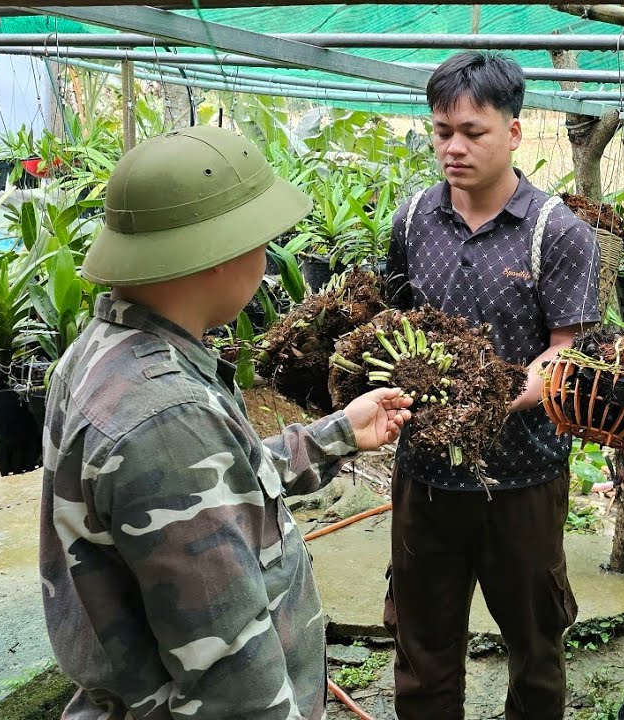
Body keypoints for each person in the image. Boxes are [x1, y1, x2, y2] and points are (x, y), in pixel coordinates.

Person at [38, 125, 412, 720]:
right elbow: (233, 682)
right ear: (218, 256)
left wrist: (338, 433)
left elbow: (212, 484)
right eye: (261, 242)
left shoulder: (109, 352)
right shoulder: (165, 416)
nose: (265, 260)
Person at [383, 51, 602, 719]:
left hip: (522, 479)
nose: (453, 147)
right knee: (421, 649)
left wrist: (492, 401)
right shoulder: (413, 219)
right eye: (441, 130)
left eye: (472, 132)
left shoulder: (556, 233)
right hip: (424, 477)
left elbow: (565, 353)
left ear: (513, 131)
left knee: (536, 646)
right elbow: (392, 322)